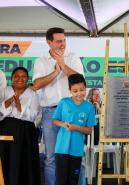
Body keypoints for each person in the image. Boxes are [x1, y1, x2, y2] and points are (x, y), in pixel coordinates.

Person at [32, 27, 84, 185]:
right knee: (51, 157)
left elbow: (79, 79)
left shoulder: (72, 57)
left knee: (76, 155)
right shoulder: (41, 61)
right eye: (59, 41)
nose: (63, 44)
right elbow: (36, 84)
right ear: (49, 42)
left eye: (64, 40)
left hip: (73, 111)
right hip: (50, 113)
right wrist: (55, 72)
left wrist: (62, 63)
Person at [52, 73, 96, 185]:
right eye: (75, 91)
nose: (79, 93)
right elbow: (55, 120)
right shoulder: (64, 102)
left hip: (77, 150)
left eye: (82, 90)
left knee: (73, 180)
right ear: (69, 90)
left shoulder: (89, 107)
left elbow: (89, 130)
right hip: (61, 148)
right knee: (61, 180)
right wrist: (63, 124)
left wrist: (75, 127)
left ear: (86, 88)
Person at [0, 67, 41, 185]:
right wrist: (6, 104)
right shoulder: (4, 91)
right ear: (11, 78)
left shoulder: (33, 94)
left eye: (23, 77)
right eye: (16, 76)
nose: (20, 79)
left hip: (25, 132)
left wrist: (19, 106)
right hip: (5, 129)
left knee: (24, 160)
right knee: (6, 159)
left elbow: (33, 116)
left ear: (27, 79)